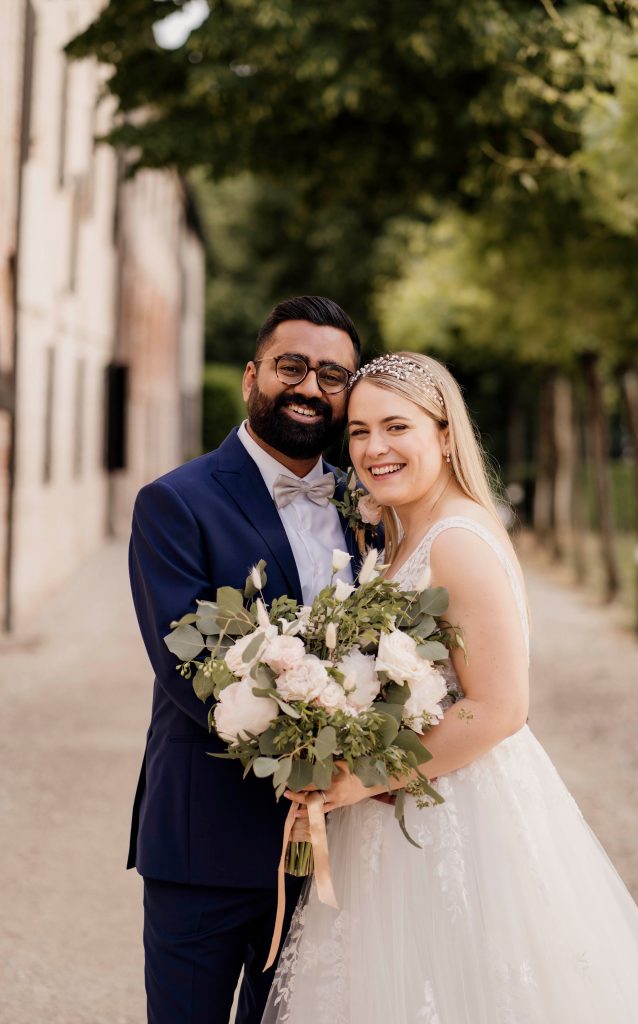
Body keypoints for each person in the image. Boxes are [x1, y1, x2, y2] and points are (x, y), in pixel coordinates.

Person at [263, 352, 638, 1024]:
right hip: (395, 813)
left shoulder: (458, 540)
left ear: (443, 433)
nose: (374, 448)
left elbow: (500, 708)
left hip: (455, 816)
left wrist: (360, 778)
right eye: (359, 431)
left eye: (396, 426)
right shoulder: (399, 534)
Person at [127, 296, 362, 1024]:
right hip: (208, 839)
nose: (310, 386)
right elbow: (192, 670)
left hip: (343, 845)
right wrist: (314, 752)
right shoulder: (175, 502)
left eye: (332, 374)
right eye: (292, 366)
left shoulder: (371, 502)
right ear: (251, 376)